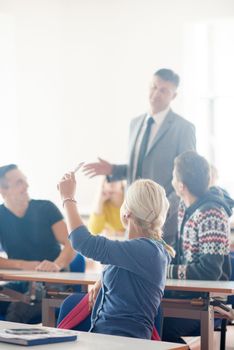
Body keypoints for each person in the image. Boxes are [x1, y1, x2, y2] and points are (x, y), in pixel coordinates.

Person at [83, 68, 196, 248]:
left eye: (163, 90)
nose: (156, 93)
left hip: (163, 223)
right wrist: (113, 170)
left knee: (159, 273)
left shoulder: (184, 128)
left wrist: (163, 211)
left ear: (173, 96)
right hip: (133, 219)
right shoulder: (135, 124)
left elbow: (187, 178)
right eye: (153, 87)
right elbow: (140, 168)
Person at [58, 172, 175, 339]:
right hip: (106, 338)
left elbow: (82, 242)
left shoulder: (146, 250)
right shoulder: (148, 250)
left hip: (122, 342)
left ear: (127, 213)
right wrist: (104, 279)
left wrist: (67, 198)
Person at [163, 151, 232, 344]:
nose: (172, 180)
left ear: (181, 186)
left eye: (174, 176)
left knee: (157, 326)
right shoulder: (186, 209)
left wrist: (166, 270)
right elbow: (179, 254)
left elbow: (209, 272)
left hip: (205, 302)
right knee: (141, 316)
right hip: (186, 295)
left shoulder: (211, 214)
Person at [0, 164, 75, 322]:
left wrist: (56, 264)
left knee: (17, 311)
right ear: (3, 190)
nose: (27, 185)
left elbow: (71, 244)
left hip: (53, 283)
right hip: (20, 282)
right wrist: (23, 265)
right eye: (19, 182)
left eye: (25, 180)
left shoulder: (46, 208)